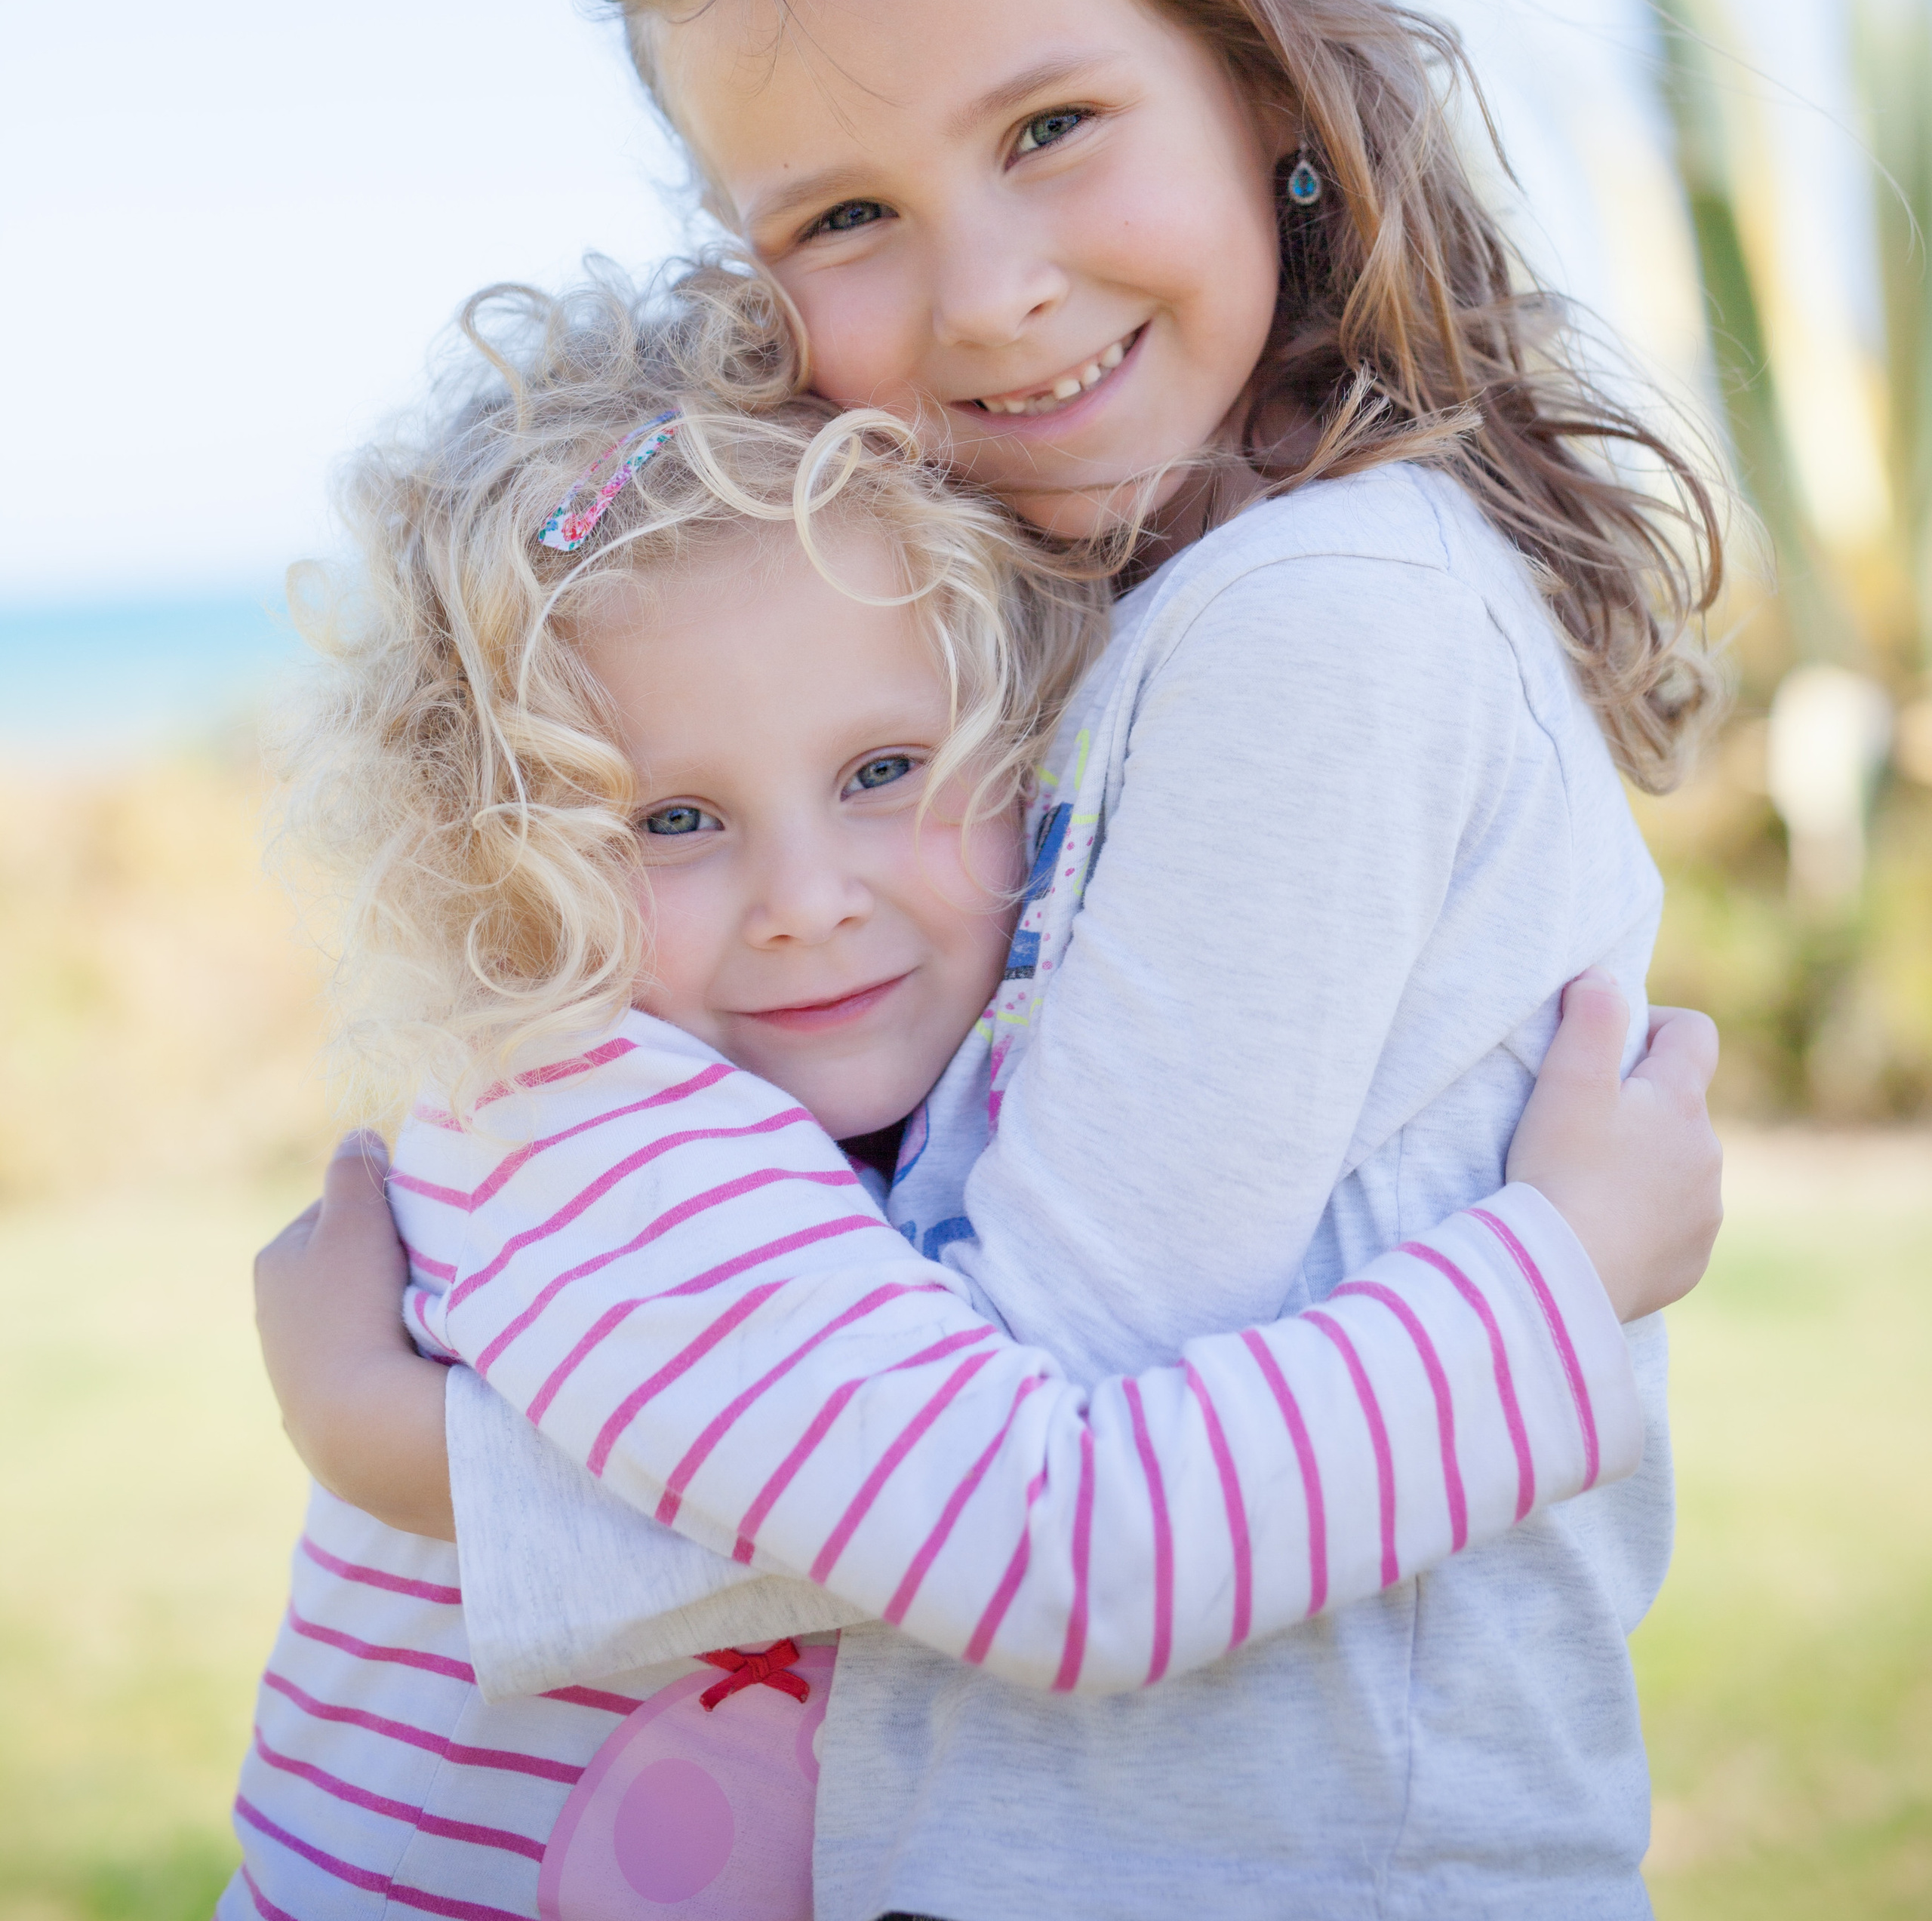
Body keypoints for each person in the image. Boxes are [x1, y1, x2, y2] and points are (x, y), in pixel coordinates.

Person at [254, 0, 1727, 1918]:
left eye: (1049, 127)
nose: (991, 289)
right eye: (842, 213)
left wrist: (428, 1465)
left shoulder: (1316, 619)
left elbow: (1005, 1460)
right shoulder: (1051, 628)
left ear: (1263, 70)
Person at [233, 266, 1705, 1919]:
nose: (805, 895)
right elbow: (1053, 1552)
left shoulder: (802, 1111)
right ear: (496, 870)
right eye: (669, 822)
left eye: (880, 773)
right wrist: (1560, 1279)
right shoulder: (594, 1129)